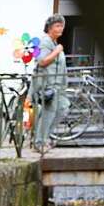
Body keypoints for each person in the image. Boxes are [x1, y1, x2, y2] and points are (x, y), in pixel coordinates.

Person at [32, 14, 69, 151]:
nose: (61, 28)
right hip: (48, 85)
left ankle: (42, 137)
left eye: (62, 26)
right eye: (57, 26)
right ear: (49, 28)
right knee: (49, 112)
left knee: (63, 107)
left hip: (58, 86)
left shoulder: (54, 43)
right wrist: (57, 51)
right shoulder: (46, 42)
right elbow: (42, 61)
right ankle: (40, 142)